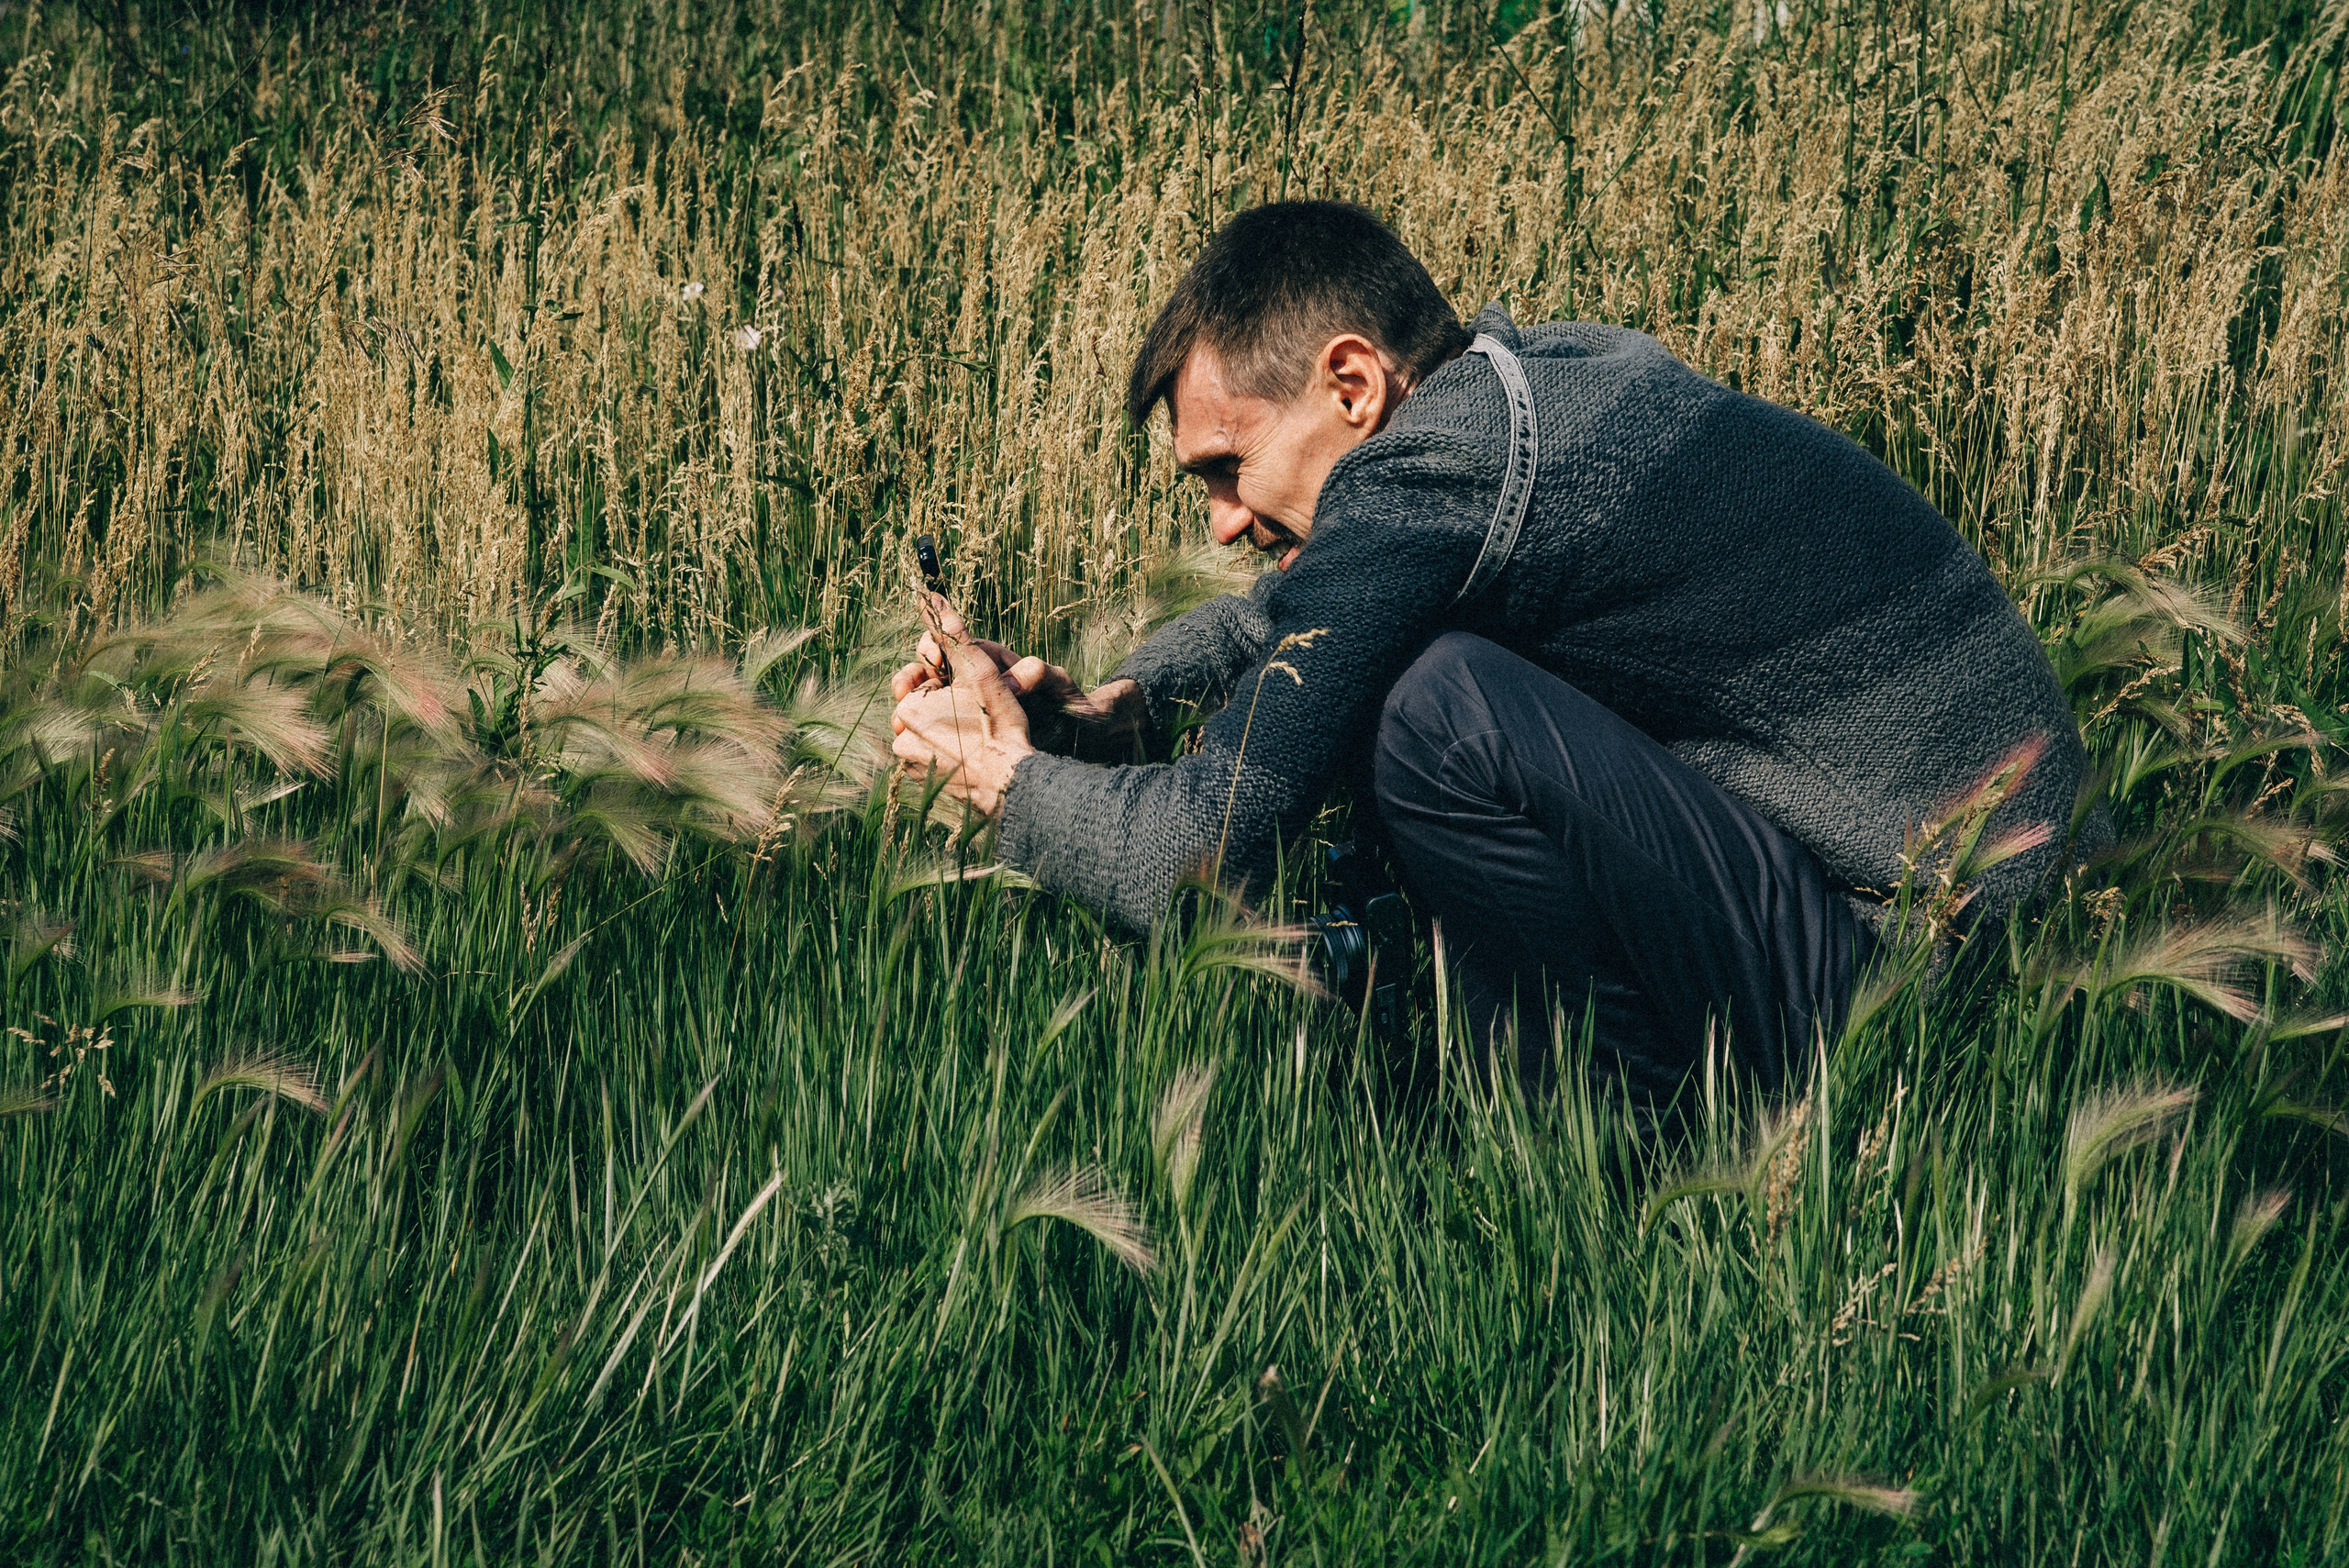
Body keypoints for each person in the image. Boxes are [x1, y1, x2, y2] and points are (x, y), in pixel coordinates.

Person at [890, 200, 2091, 1105]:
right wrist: (1108, 712)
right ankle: (1600, 1136)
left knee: (1433, 705)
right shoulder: (1510, 396)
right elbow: (1289, 618)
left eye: (1226, 465)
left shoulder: (1440, 472)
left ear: (1353, 384)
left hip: (1922, 980)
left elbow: (1188, 854)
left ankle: (1625, 1158)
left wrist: (1009, 788)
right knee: (1400, 665)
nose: (1220, 521)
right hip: (1955, 939)